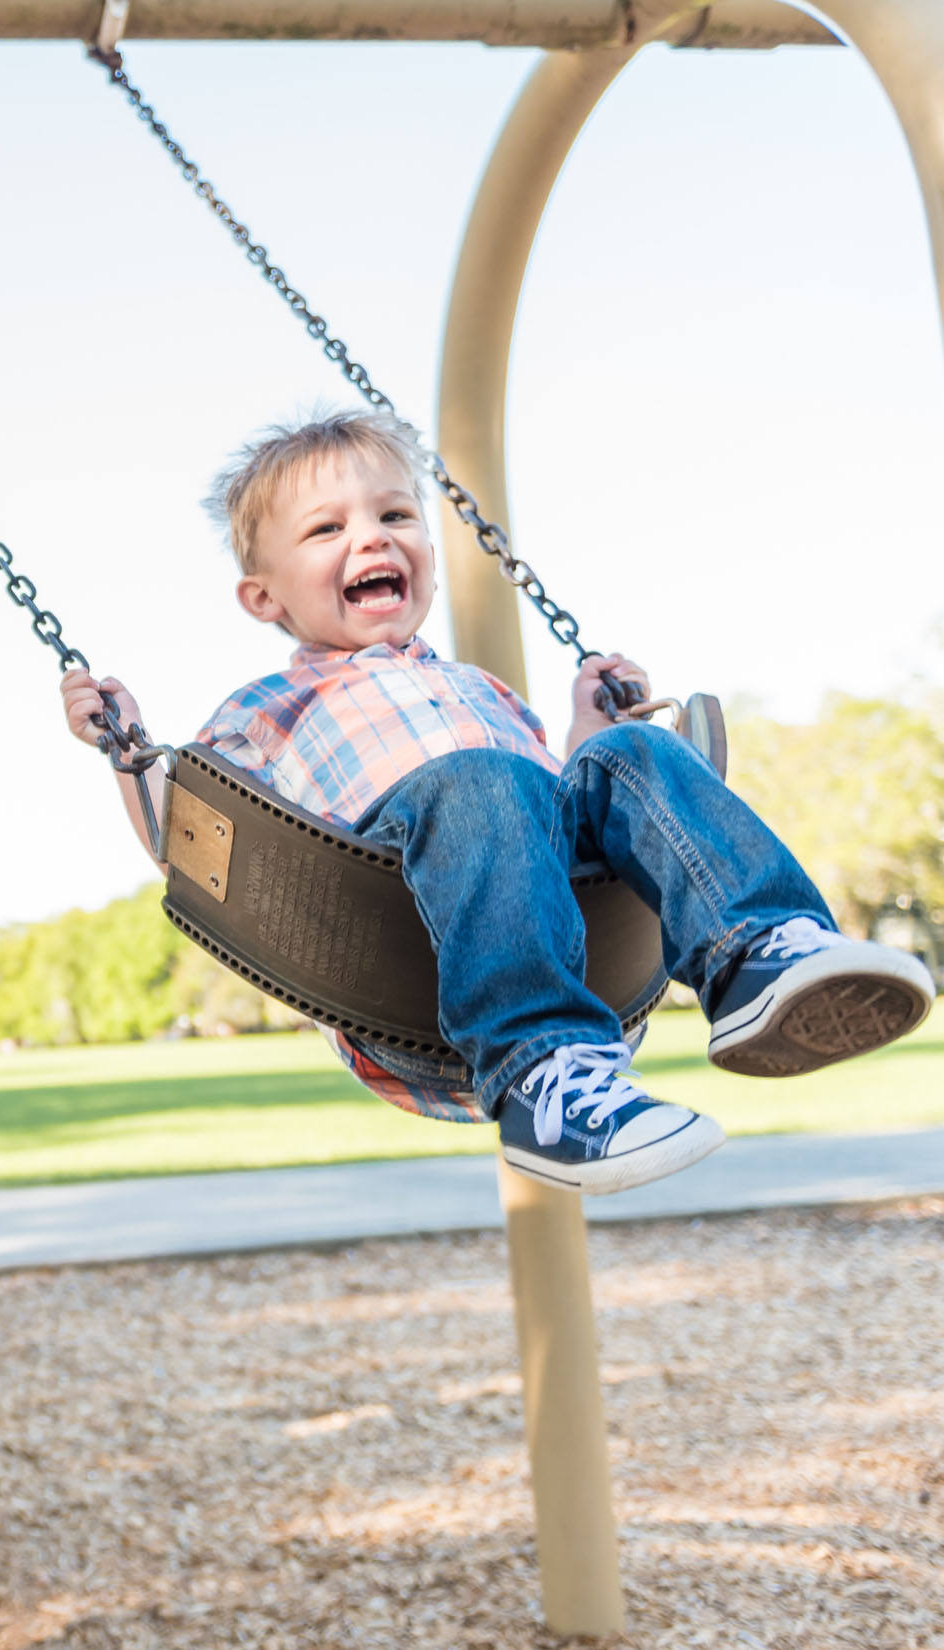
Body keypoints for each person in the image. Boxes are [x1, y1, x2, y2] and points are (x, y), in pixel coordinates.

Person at [58, 409, 935, 1195]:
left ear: (430, 560)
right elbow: (198, 847)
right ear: (264, 596)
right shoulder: (265, 710)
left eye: (395, 516)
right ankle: (544, 1083)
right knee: (482, 779)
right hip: (410, 980)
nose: (372, 539)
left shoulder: (486, 692)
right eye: (327, 529)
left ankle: (756, 955)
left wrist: (589, 734)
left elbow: (560, 822)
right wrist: (125, 750)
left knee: (632, 750)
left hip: (575, 950)